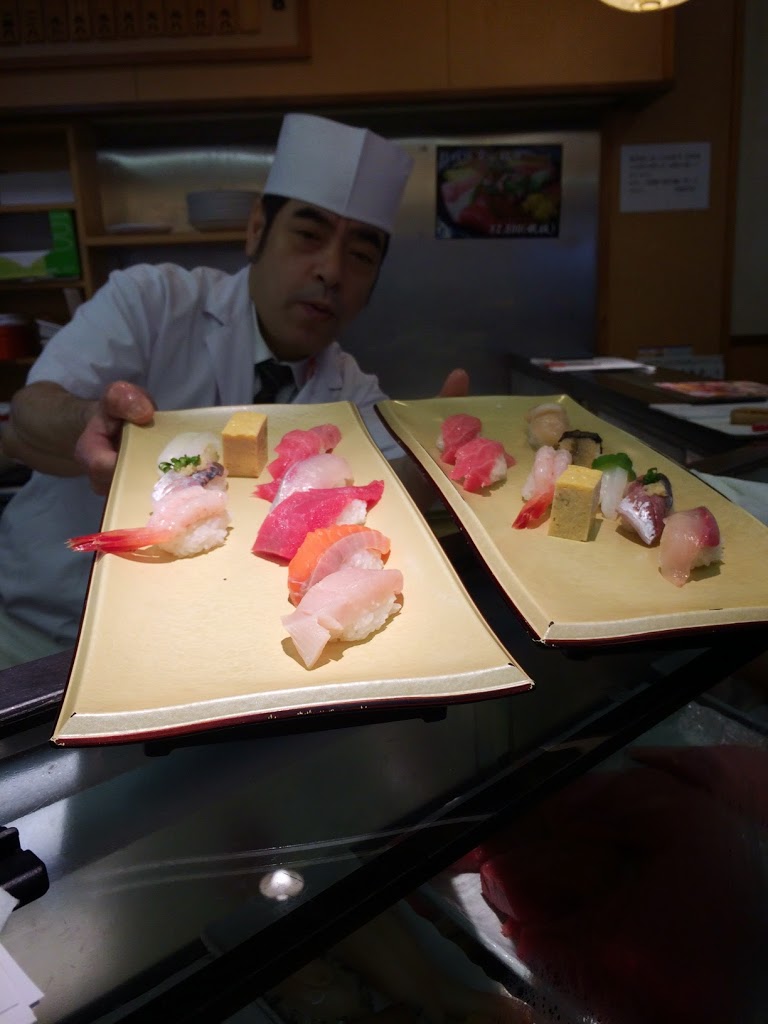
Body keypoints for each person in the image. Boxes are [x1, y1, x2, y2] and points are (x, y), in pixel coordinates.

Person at [0, 113, 468, 670]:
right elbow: (27, 415)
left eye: (360, 255)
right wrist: (84, 421)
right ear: (255, 231)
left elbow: (390, 482)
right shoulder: (151, 301)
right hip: (38, 630)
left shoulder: (353, 392)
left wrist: (439, 460)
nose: (331, 270)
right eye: (309, 235)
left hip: (189, 651)